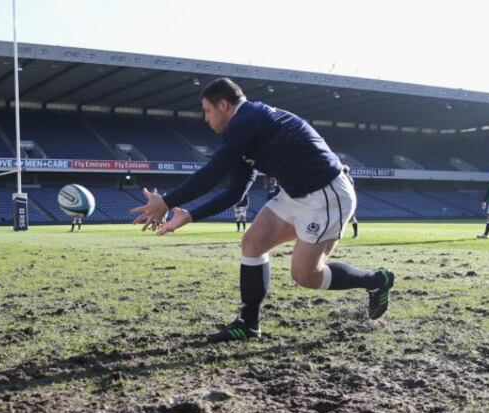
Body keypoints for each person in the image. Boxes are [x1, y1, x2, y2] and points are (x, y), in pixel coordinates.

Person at [132, 78, 395, 342]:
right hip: (295, 193)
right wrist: (189, 215)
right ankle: (249, 325)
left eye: (207, 110)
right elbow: (236, 192)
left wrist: (166, 202)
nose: (205, 118)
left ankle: (376, 280)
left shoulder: (248, 118)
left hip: (325, 193)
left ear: (223, 105)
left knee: (306, 275)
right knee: (253, 242)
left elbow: (212, 173)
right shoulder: (244, 130)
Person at [343, 166, 359, 239]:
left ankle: (356, 234)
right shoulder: (349, 178)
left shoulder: (345, 178)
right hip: (350, 199)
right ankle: (355, 233)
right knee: (352, 218)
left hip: (345, 199)